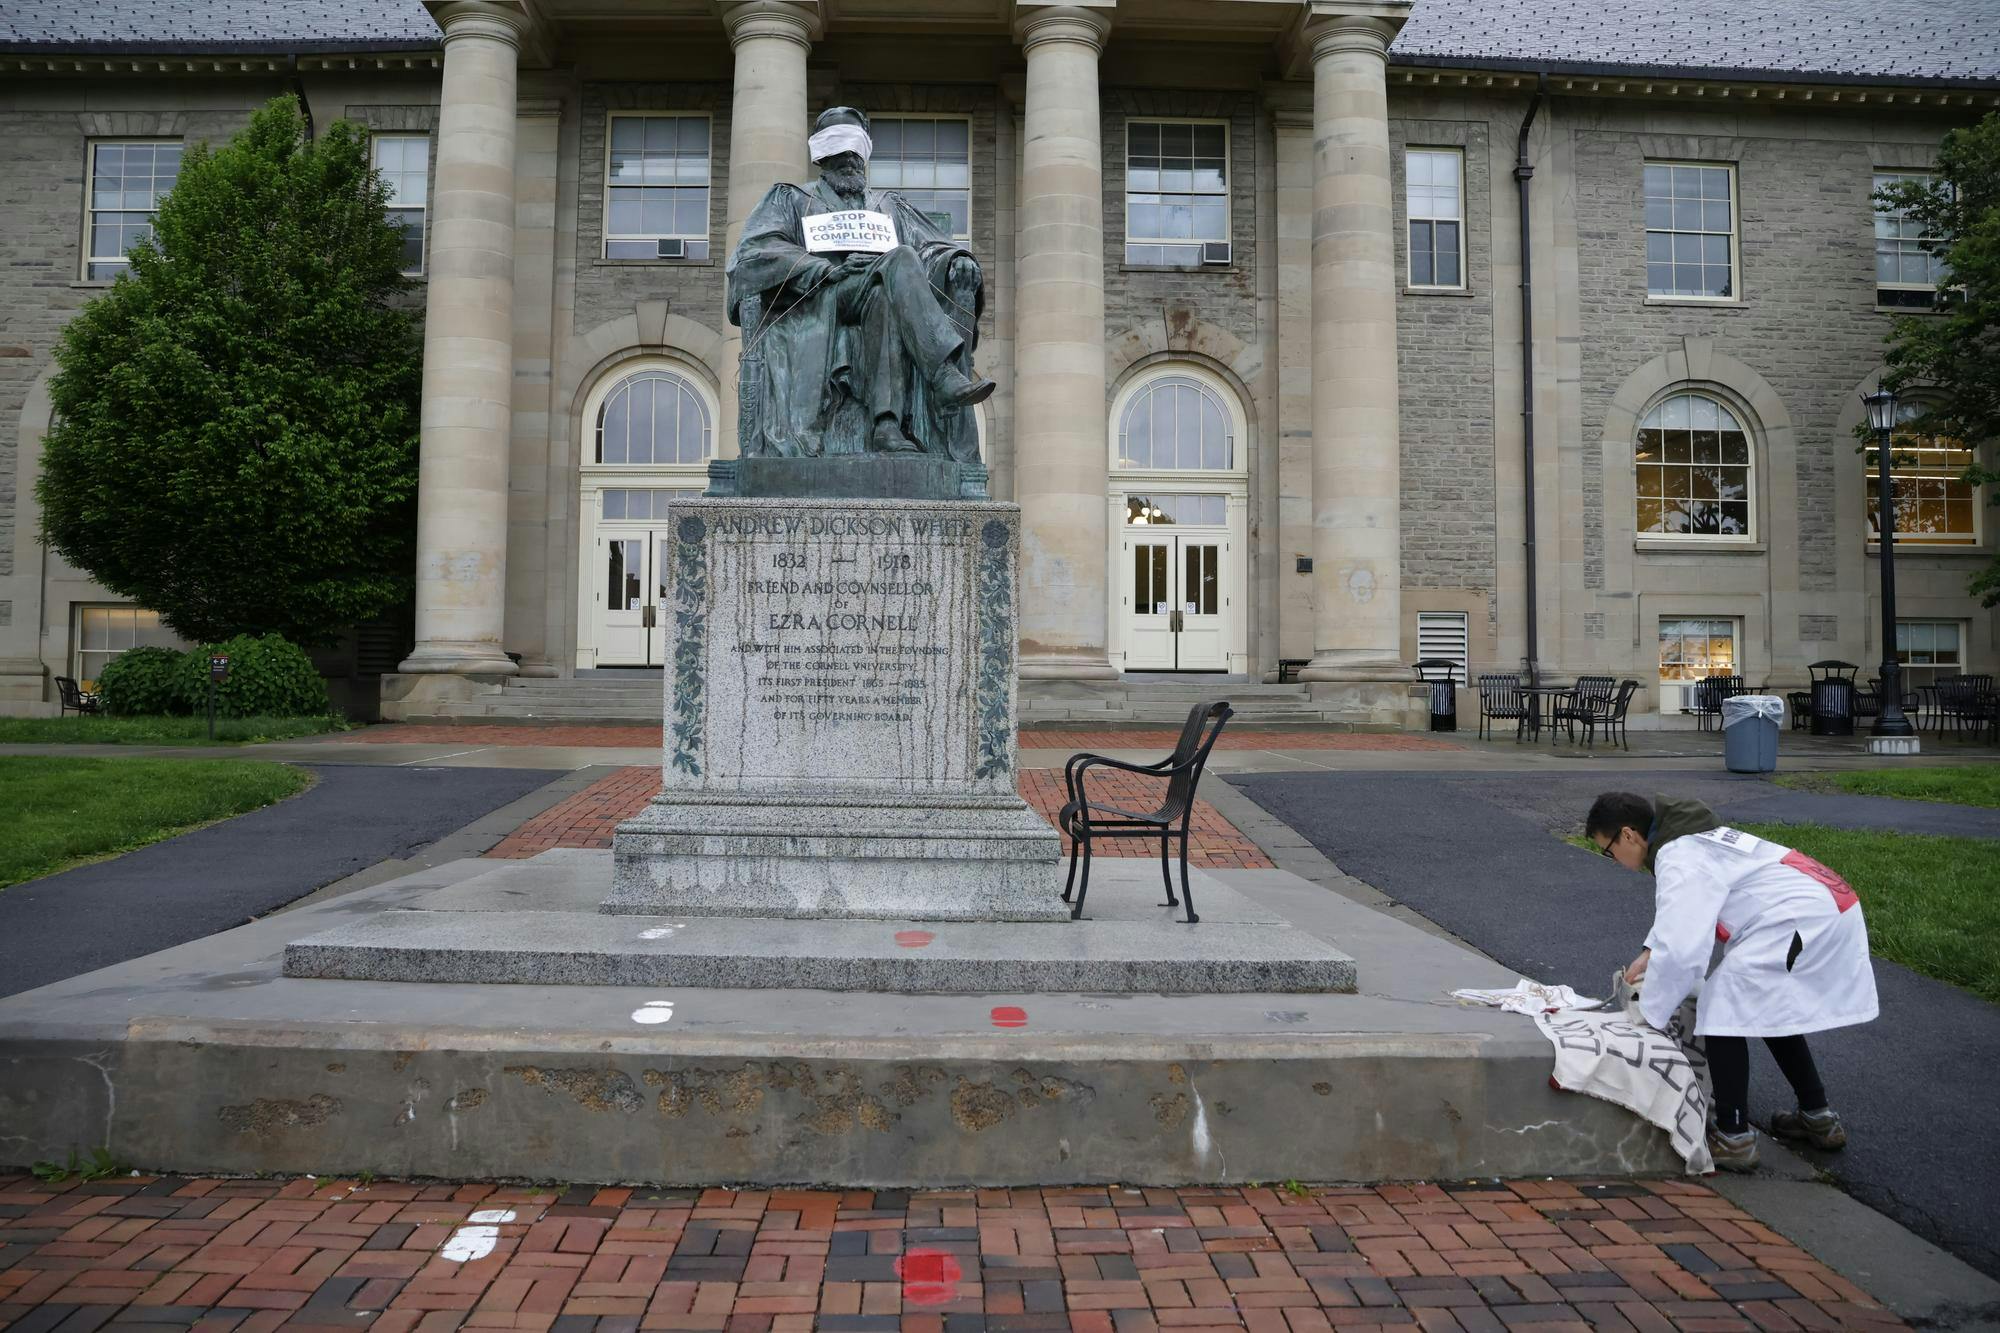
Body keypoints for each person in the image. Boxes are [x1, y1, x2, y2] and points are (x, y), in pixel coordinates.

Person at [1585, 791, 1878, 1171]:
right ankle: (1818, 1117)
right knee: (1764, 1006)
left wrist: (1646, 1017)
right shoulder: (1691, 838)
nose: (1613, 860)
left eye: (1607, 850)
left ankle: (1734, 1137)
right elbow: (1686, 915)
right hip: (1825, 905)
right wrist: (1650, 951)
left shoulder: (1680, 856)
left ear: (1628, 835)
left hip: (1800, 918)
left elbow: (1682, 947)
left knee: (1720, 1007)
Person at [726, 105, 993, 462]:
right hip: (821, 297)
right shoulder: (790, 199)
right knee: (901, 258)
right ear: (822, 156)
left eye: (856, 152)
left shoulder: (888, 206)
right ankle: (943, 375)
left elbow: (932, 247)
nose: (850, 159)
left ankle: (886, 425)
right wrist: (820, 269)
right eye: (840, 151)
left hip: (877, 293)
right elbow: (754, 252)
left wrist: (956, 260)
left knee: (890, 283)